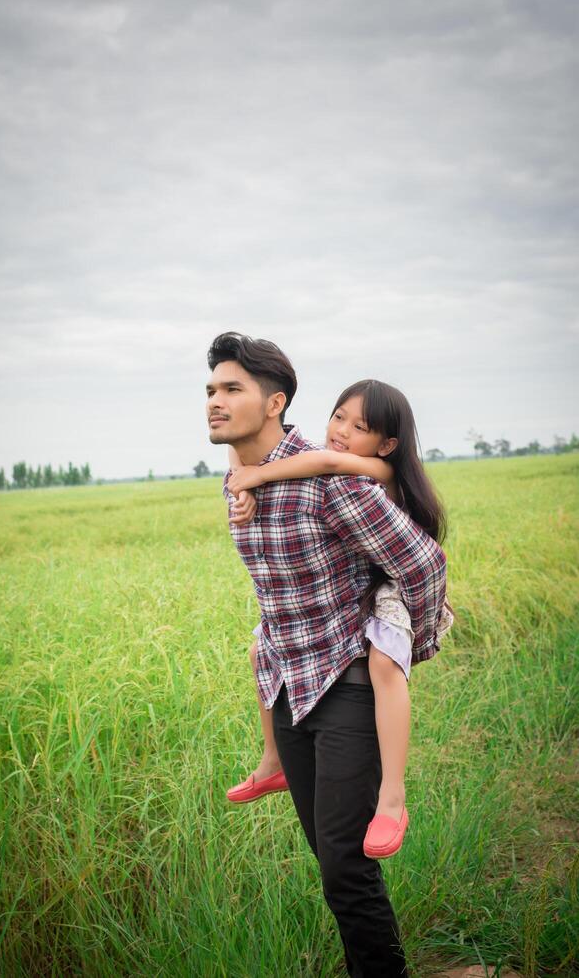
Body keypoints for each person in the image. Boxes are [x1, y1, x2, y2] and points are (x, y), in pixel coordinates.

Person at [207, 332, 448, 978]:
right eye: (210, 390)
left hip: (347, 684)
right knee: (333, 863)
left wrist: (397, 647)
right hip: (289, 688)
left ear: (275, 402)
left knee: (346, 866)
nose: (215, 401)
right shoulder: (238, 484)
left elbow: (423, 561)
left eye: (232, 389)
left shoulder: (329, 479)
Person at [224, 380, 453, 860]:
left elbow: (323, 464)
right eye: (337, 417)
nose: (342, 431)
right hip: (358, 577)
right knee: (259, 649)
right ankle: (272, 760)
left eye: (360, 426)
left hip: (387, 581)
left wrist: (253, 478)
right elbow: (243, 453)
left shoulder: (370, 467)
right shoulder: (344, 454)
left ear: (387, 443)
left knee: (385, 666)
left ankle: (393, 796)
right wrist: (239, 476)